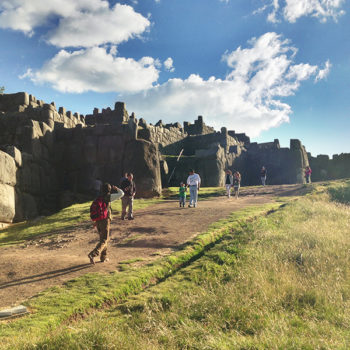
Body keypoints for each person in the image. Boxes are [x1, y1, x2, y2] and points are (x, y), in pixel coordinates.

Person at [88, 182, 119, 264]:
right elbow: (121, 194)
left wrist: (96, 222)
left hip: (98, 220)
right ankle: (93, 254)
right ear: (109, 189)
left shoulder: (99, 197)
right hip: (105, 220)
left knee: (103, 239)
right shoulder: (108, 197)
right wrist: (116, 189)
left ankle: (103, 257)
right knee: (105, 240)